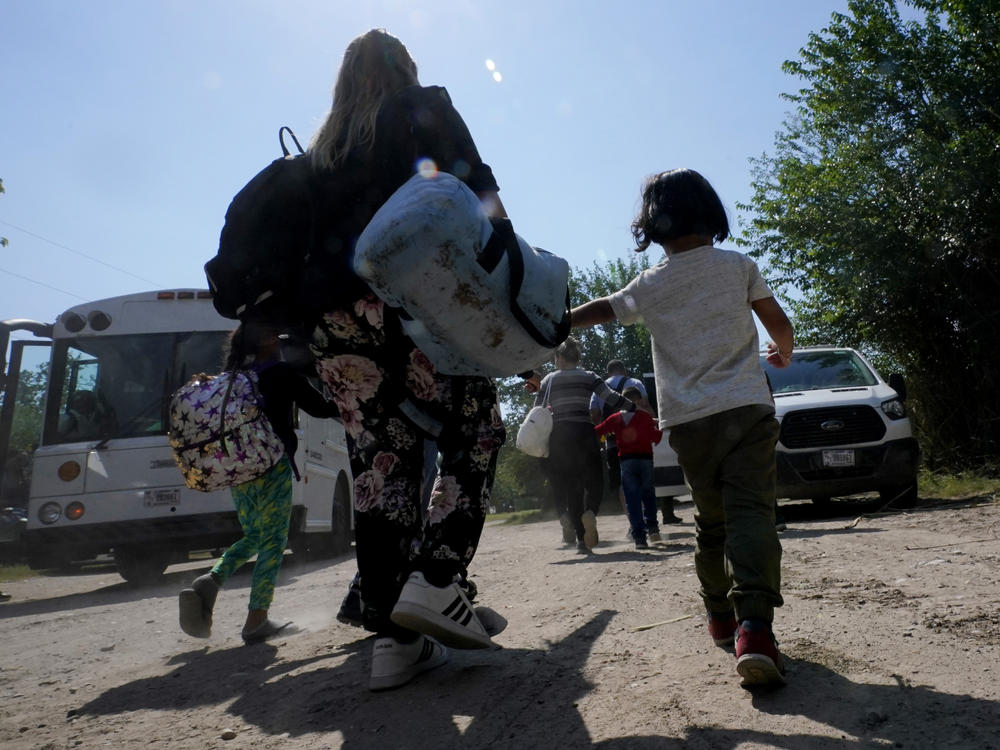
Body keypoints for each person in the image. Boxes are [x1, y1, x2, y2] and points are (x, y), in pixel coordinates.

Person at [306, 29, 507, 691]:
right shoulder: (424, 107)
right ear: (407, 69)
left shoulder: (323, 151)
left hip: (334, 323)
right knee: (474, 431)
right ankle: (438, 578)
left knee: (379, 467)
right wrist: (505, 276)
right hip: (415, 302)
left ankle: (394, 644)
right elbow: (481, 197)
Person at [570, 168, 794, 688]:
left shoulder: (650, 284)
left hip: (690, 423)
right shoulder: (738, 266)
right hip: (745, 410)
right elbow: (776, 321)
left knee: (711, 521)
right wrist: (782, 351)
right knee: (751, 516)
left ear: (651, 224)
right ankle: (755, 631)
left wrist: (557, 320)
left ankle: (720, 616)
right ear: (712, 214)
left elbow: (606, 309)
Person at [178, 320, 340, 644]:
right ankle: (257, 619)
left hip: (239, 471)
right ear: (266, 340)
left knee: (253, 535)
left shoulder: (233, 380)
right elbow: (323, 409)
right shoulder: (281, 374)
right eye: (276, 335)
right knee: (273, 542)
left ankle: (211, 581)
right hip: (273, 467)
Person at [534, 337, 634, 553]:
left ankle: (581, 541)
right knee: (596, 479)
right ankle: (591, 512)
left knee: (573, 487)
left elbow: (537, 410)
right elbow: (611, 398)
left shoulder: (549, 381)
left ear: (559, 358)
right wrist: (633, 407)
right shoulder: (590, 377)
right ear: (577, 357)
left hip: (560, 436)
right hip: (584, 432)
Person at [593, 386, 663, 549]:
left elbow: (598, 431)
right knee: (649, 495)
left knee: (632, 500)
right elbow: (655, 437)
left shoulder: (615, 418)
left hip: (626, 462)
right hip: (645, 460)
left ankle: (639, 539)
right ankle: (653, 530)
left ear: (620, 402)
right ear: (638, 401)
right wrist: (658, 427)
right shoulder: (645, 418)